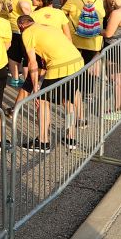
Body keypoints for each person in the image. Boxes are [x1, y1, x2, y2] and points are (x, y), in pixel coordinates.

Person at [17, 14, 85, 152]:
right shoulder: (48, 27)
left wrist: (36, 88)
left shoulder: (27, 33)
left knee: (42, 101)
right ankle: (71, 137)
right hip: (77, 61)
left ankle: (43, 141)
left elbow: (32, 62)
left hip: (59, 66)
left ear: (21, 26)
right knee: (68, 101)